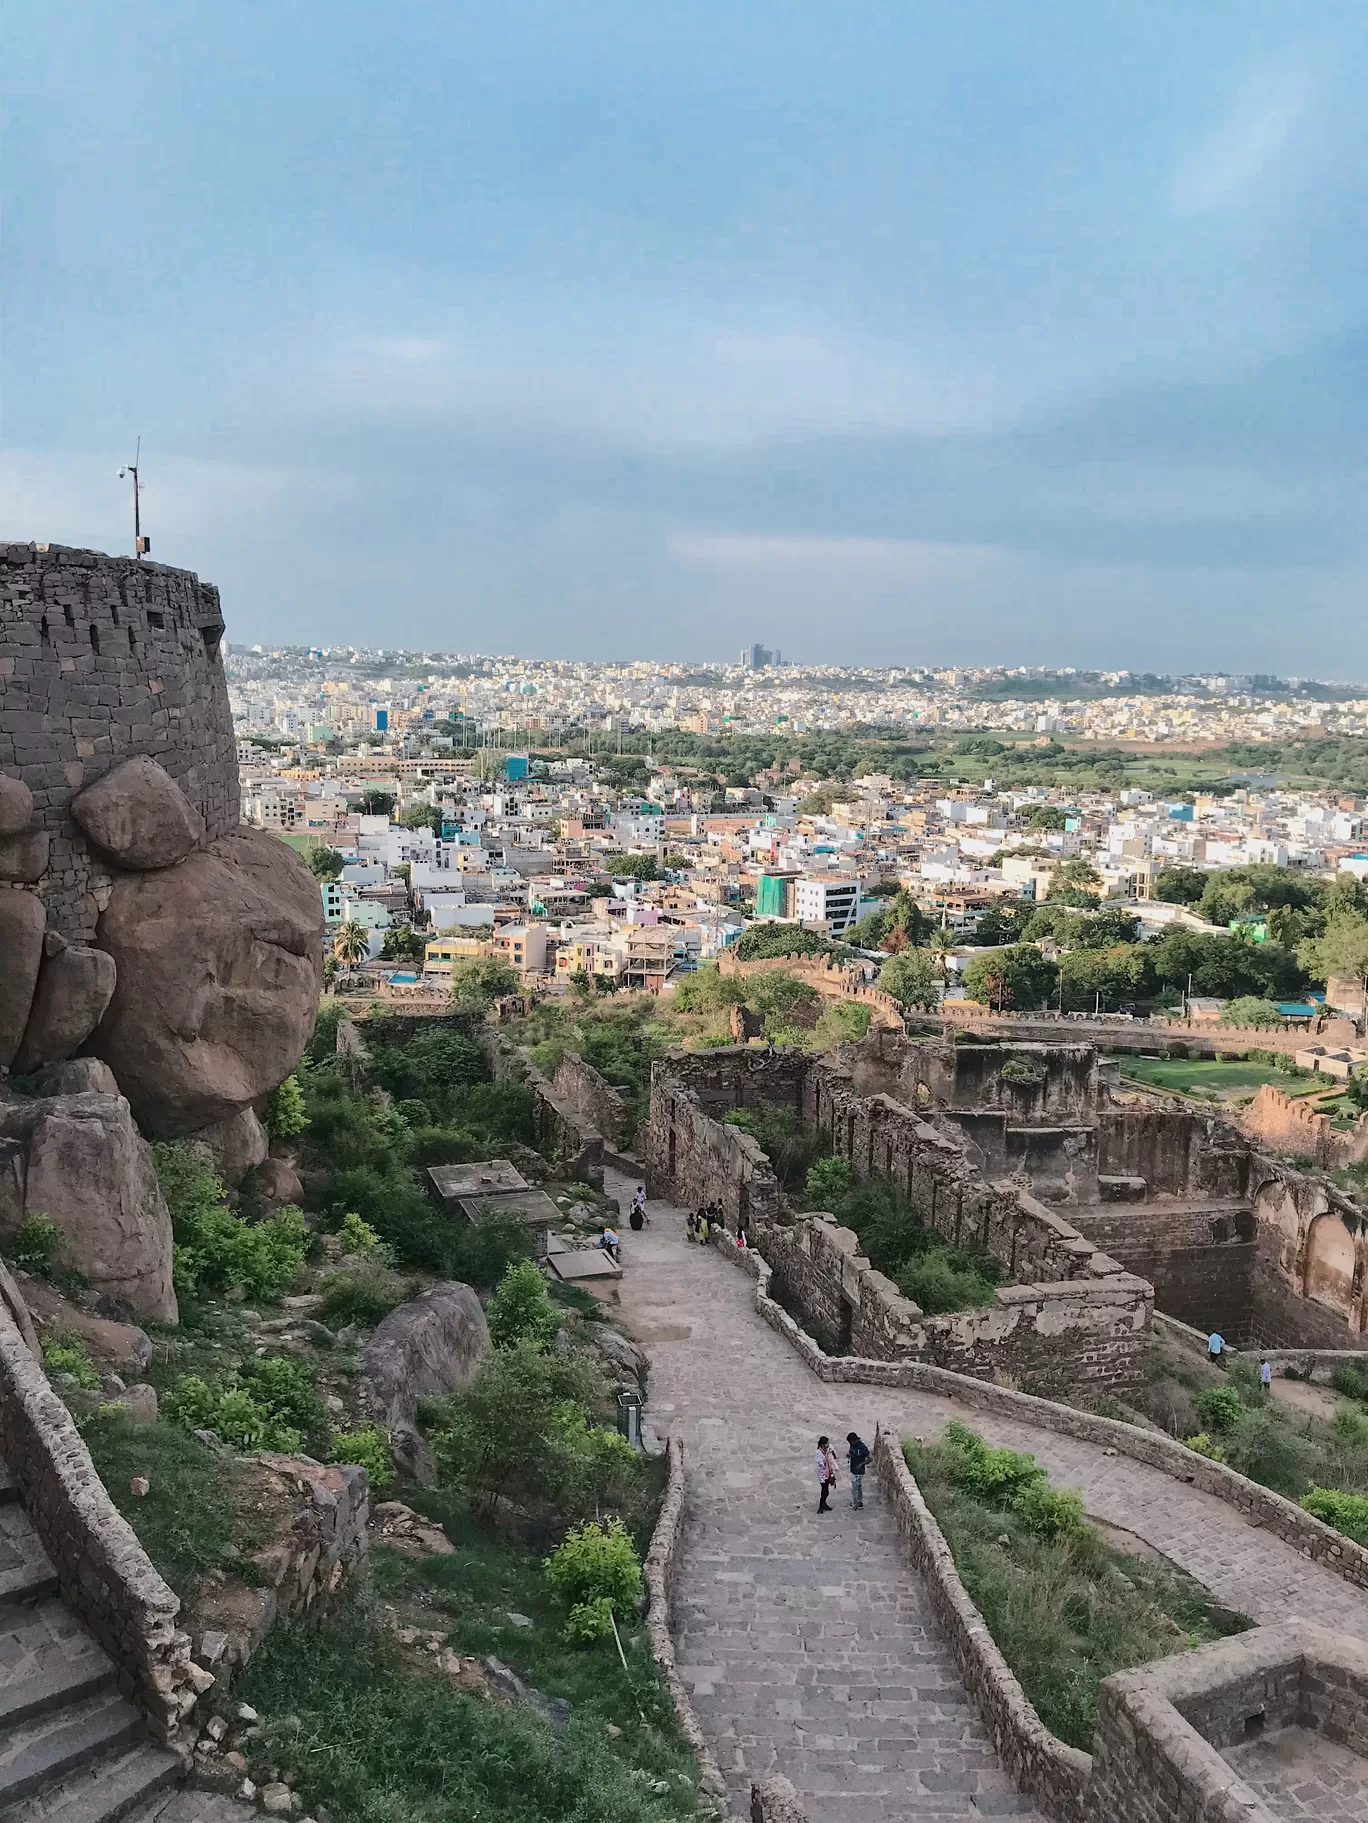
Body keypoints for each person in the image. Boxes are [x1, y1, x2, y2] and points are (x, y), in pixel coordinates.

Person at [846, 1431, 870, 1508]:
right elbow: (851, 1452)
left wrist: (862, 1464)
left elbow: (870, 1458)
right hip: (853, 1469)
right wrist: (849, 1455)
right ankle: (859, 1501)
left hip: (859, 1471)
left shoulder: (862, 1447)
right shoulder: (852, 1445)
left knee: (855, 1487)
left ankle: (856, 1503)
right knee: (858, 1486)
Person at [816, 1435, 837, 1513]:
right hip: (823, 1475)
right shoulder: (819, 1453)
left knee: (826, 1491)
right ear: (822, 1444)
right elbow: (820, 1464)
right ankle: (821, 1506)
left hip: (828, 1473)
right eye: (826, 1443)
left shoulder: (828, 1450)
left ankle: (823, 1504)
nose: (828, 1444)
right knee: (824, 1492)